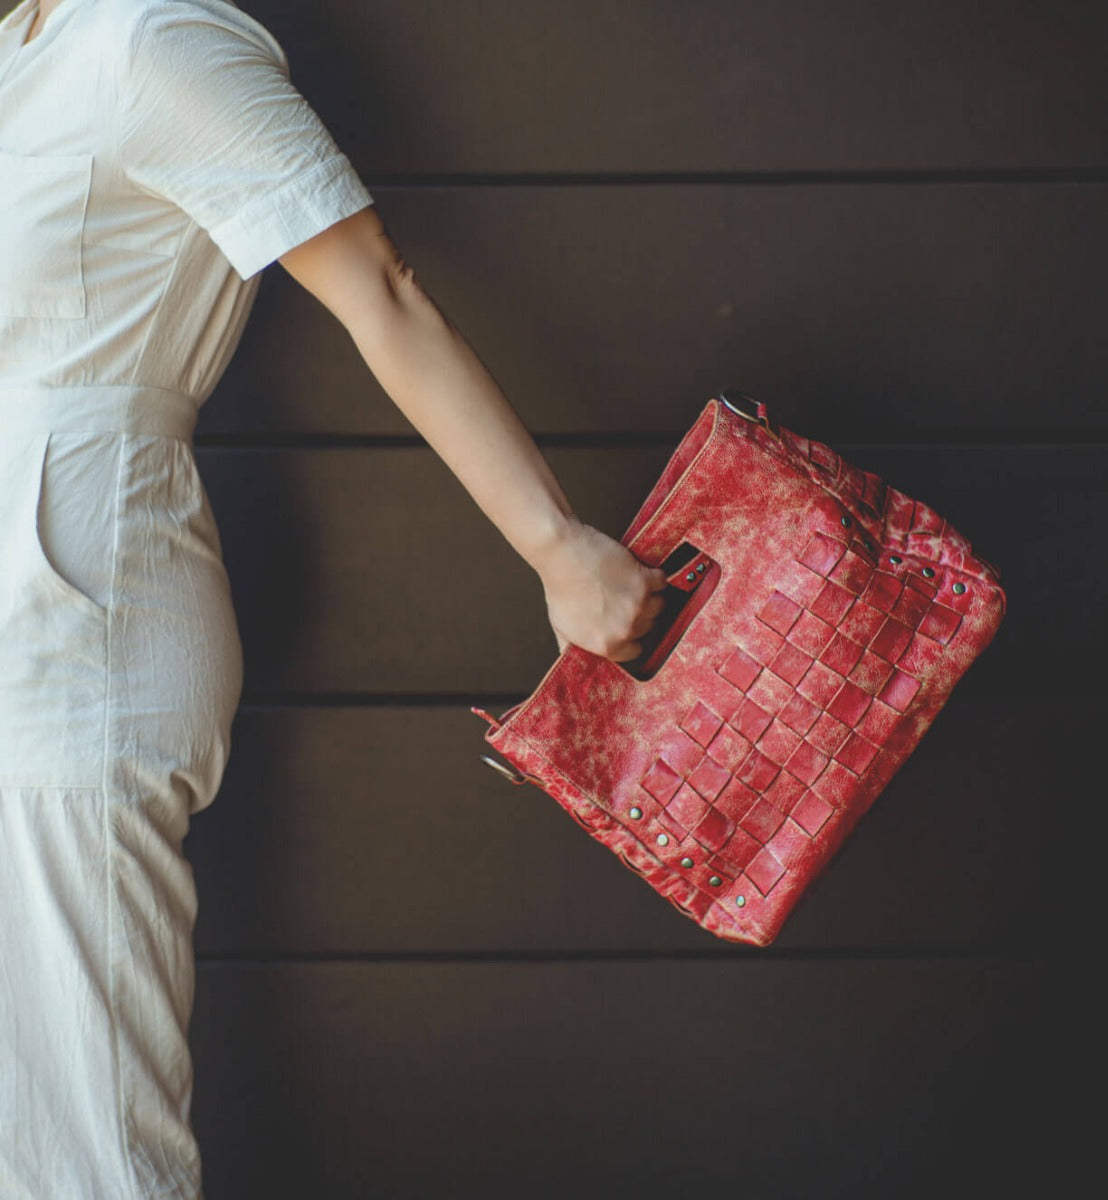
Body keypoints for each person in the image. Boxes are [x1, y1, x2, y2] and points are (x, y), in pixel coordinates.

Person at [0, 0, 667, 1196]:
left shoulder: (152, 44)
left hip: (73, 603)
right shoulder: (27, 56)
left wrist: (556, 545)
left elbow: (381, 292)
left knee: (85, 1139)